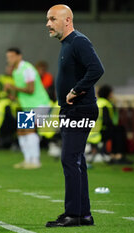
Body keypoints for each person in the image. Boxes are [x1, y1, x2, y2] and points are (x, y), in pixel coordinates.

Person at [45, 4, 104, 227]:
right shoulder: (68, 43)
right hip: (72, 110)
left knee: (70, 159)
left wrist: (76, 90)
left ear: (67, 20)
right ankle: (83, 215)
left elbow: (97, 69)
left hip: (80, 109)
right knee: (76, 160)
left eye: (52, 19)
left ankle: (73, 214)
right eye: (47, 19)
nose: (48, 24)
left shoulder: (78, 41)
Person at [4, 48, 50, 169]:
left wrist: (13, 87)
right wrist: (11, 93)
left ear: (19, 56)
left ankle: (35, 161)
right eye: (8, 57)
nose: (9, 60)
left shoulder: (27, 69)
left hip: (39, 103)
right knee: (21, 131)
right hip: (28, 106)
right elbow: (19, 91)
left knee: (29, 130)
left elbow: (30, 90)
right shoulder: (15, 72)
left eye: (12, 56)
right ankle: (27, 160)